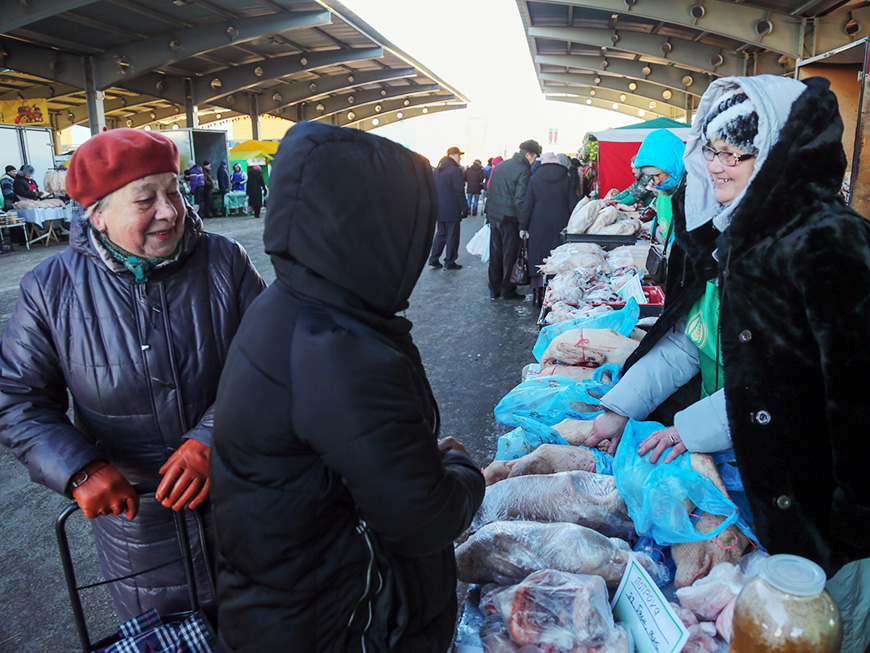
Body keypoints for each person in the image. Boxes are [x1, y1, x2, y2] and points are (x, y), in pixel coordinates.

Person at [585, 75, 870, 652]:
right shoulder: (732, 241)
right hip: (761, 482)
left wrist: (688, 428)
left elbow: (812, 388)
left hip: (829, 510)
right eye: (712, 149)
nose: (718, 166)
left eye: (739, 153)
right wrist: (620, 406)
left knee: (826, 628)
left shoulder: (833, 246)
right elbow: (692, 342)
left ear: (780, 156)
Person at [210, 121, 485, 652]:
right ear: (380, 225)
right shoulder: (341, 348)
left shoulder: (292, 300)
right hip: (343, 619)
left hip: (282, 603)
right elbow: (421, 518)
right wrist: (462, 470)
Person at [0, 128, 266, 623]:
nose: (169, 210)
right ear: (97, 214)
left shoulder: (225, 261)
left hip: (247, 501)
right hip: (138, 528)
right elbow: (18, 398)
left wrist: (215, 435)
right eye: (146, 199)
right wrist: (79, 468)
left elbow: (273, 361)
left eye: (173, 192)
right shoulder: (49, 288)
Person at [518, 152, 578, 307]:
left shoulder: (534, 179)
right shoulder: (567, 179)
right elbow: (573, 204)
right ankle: (554, 294)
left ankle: (537, 296)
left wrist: (523, 226)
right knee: (558, 257)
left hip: (538, 223)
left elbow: (528, 204)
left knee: (538, 257)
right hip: (561, 222)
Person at [485, 139, 541, 299]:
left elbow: (491, 190)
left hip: (495, 215)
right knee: (510, 256)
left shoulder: (502, 165)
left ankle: (494, 288)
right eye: (534, 157)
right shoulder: (524, 171)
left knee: (495, 254)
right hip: (510, 219)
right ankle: (507, 290)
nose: (534, 161)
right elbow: (520, 200)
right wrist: (524, 223)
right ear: (528, 154)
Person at [633, 129, 686, 248]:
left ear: (672, 166)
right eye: (653, 176)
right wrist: (656, 231)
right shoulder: (666, 187)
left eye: (657, 174)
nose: (656, 181)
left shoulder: (691, 188)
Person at [428, 145, 468, 270]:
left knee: (441, 233)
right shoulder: (454, 170)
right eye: (458, 155)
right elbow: (459, 191)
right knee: (452, 235)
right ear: (452, 155)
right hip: (452, 208)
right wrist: (464, 208)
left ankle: (434, 258)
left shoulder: (437, 170)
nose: (460, 158)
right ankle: (449, 261)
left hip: (439, 208)